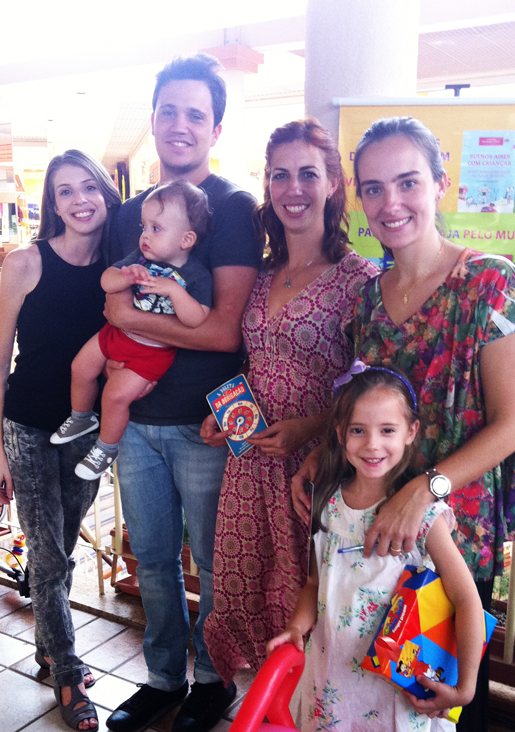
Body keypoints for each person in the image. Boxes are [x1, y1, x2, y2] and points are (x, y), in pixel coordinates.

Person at [292, 116, 515, 732]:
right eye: (373, 188)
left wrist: (422, 489)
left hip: (446, 535)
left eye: (407, 182)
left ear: (440, 184)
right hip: (372, 537)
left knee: (435, 710)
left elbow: (510, 425)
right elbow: (363, 404)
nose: (390, 202)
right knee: (369, 709)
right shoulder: (369, 297)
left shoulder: (490, 282)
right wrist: (321, 453)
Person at [104, 54, 262, 732]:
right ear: (153, 119)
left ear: (215, 129)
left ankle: (214, 680)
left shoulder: (233, 209)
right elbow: (110, 301)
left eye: (195, 114)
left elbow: (225, 330)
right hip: (136, 420)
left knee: (216, 564)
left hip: (205, 424)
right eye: (168, 110)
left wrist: (130, 321)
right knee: (153, 561)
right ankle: (163, 678)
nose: (180, 124)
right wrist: (123, 319)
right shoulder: (131, 212)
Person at [269, 364, 483, 732]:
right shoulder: (327, 502)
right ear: (339, 434)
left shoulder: (424, 516)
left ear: (411, 432)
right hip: (330, 684)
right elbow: (315, 582)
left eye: (387, 430)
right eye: (358, 431)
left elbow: (466, 599)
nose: (372, 444)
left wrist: (466, 686)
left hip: (389, 695)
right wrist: (297, 627)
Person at [201, 118, 377, 685]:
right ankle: (267, 709)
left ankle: (309, 721)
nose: (293, 188)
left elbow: (373, 387)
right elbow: (254, 361)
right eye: (280, 175)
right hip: (249, 462)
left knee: (308, 596)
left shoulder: (359, 279)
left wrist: (313, 427)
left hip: (314, 468)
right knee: (243, 587)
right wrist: (223, 412)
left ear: (333, 183)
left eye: (308, 174)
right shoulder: (262, 274)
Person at [0, 150, 121, 732]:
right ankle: (68, 673)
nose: (79, 200)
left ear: (106, 194)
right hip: (27, 427)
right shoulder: (25, 262)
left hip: (88, 431)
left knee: (60, 548)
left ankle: (48, 647)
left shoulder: (121, 268)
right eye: (65, 191)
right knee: (44, 552)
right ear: (53, 204)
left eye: (89, 187)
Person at [51, 181, 212, 481]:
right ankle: (81, 418)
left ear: (187, 239)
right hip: (116, 334)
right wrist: (125, 276)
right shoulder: (139, 259)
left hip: (151, 353)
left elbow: (197, 319)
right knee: (80, 367)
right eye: (143, 227)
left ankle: (106, 448)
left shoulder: (194, 275)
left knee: (115, 395)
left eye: (156, 228)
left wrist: (174, 291)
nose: (145, 235)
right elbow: (106, 281)